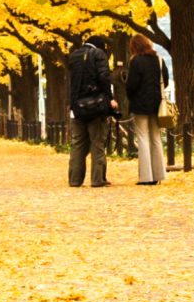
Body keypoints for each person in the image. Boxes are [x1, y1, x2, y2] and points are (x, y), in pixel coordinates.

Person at [67, 35, 118, 187]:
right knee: (97, 142)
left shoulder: (74, 55)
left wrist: (72, 103)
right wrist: (110, 99)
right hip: (95, 105)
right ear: (100, 46)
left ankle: (74, 179)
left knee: (77, 144)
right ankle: (97, 179)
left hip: (77, 106)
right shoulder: (99, 54)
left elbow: (72, 81)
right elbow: (104, 78)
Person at [125, 34, 168, 185]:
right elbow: (166, 81)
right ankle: (158, 174)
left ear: (134, 47)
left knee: (142, 138)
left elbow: (131, 85)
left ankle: (146, 176)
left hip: (140, 103)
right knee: (156, 138)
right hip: (157, 104)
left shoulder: (136, 61)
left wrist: (131, 96)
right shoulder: (159, 60)